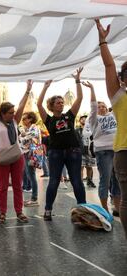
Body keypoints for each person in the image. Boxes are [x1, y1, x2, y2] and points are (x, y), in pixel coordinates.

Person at [36, 69, 86, 221]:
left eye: (62, 102)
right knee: (54, 181)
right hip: (56, 152)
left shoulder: (69, 115)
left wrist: (77, 80)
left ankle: (83, 209)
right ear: (52, 106)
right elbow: (38, 104)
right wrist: (45, 87)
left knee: (76, 180)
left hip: (73, 151)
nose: (61, 104)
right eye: (58, 102)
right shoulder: (49, 119)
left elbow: (80, 98)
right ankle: (48, 210)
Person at [96, 19, 127, 237]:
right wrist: (103, 40)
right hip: (124, 152)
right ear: (122, 80)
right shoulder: (118, 96)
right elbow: (110, 66)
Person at [0, 80, 32, 224]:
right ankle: (2, 213)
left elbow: (22, 106)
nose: (14, 114)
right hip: (0, 158)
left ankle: (19, 212)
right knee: (3, 187)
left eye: (13, 112)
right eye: (10, 113)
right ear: (3, 113)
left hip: (17, 157)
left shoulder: (14, 121)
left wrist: (27, 90)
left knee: (18, 185)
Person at [83, 81, 120, 216]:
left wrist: (121, 86)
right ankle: (104, 210)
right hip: (103, 152)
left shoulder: (113, 115)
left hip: (117, 150)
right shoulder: (94, 119)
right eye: (99, 106)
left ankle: (117, 207)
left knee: (117, 180)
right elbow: (93, 105)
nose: (102, 108)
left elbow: (118, 101)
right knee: (105, 179)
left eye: (103, 106)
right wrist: (92, 89)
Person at [20, 112, 43, 207]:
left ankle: (34, 199)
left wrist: (23, 135)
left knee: (32, 176)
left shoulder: (34, 128)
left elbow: (25, 139)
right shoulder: (29, 128)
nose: (23, 120)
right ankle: (33, 198)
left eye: (24, 118)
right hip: (27, 153)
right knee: (30, 175)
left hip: (31, 154)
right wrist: (23, 135)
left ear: (30, 119)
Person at [76, 115, 96, 188]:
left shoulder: (92, 129)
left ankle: (89, 180)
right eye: (82, 119)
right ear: (80, 121)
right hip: (81, 152)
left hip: (90, 151)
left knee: (89, 167)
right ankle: (80, 183)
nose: (84, 120)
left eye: (85, 119)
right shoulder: (77, 130)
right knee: (81, 167)